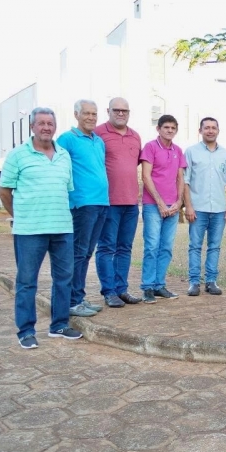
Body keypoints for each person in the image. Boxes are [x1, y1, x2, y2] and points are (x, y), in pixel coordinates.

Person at [0, 107, 83, 348]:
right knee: (27, 281)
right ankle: (26, 331)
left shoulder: (64, 154)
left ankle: (59, 325)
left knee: (64, 278)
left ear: (55, 127)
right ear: (32, 127)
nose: (46, 127)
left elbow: (66, 190)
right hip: (29, 231)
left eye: (50, 123)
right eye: (41, 123)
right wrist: (21, 217)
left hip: (62, 228)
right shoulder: (17, 155)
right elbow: (4, 192)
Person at [57, 99, 108, 317]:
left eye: (94, 114)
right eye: (86, 113)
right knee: (78, 252)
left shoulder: (98, 141)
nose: (91, 117)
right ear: (76, 114)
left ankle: (79, 297)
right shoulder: (67, 139)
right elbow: (59, 168)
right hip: (82, 204)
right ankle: (71, 301)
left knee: (87, 253)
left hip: (101, 202)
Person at [94, 97, 144, 308]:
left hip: (131, 203)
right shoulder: (97, 134)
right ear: (108, 111)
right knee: (106, 247)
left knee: (125, 247)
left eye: (125, 110)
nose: (121, 113)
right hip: (108, 202)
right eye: (117, 110)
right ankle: (109, 291)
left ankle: (121, 289)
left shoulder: (135, 136)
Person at [183, 117, 226, 296]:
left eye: (214, 128)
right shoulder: (191, 152)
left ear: (218, 131)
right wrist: (188, 206)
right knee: (195, 246)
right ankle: (194, 282)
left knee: (215, 246)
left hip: (219, 208)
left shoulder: (225, 154)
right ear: (201, 131)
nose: (210, 131)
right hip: (198, 207)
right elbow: (185, 181)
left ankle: (211, 281)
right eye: (207, 128)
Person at [139, 114, 187, 303]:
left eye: (173, 128)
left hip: (173, 206)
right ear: (158, 129)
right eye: (166, 127)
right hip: (153, 205)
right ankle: (148, 287)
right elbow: (146, 176)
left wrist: (178, 202)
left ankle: (159, 285)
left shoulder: (178, 150)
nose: (169, 131)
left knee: (166, 247)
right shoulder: (150, 147)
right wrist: (159, 202)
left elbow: (180, 178)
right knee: (152, 246)